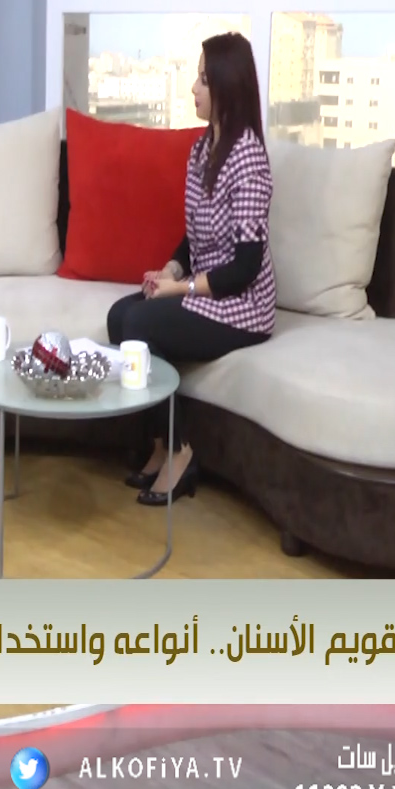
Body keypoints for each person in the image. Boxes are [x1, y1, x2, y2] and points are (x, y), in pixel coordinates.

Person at [105, 32, 277, 506]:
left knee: (140, 325)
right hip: (205, 290)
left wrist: (180, 290)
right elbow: (194, 234)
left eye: (203, 79)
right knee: (121, 317)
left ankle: (182, 452)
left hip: (240, 308)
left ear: (226, 86)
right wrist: (170, 269)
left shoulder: (248, 159)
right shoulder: (203, 150)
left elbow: (245, 267)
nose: (194, 89)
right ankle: (163, 445)